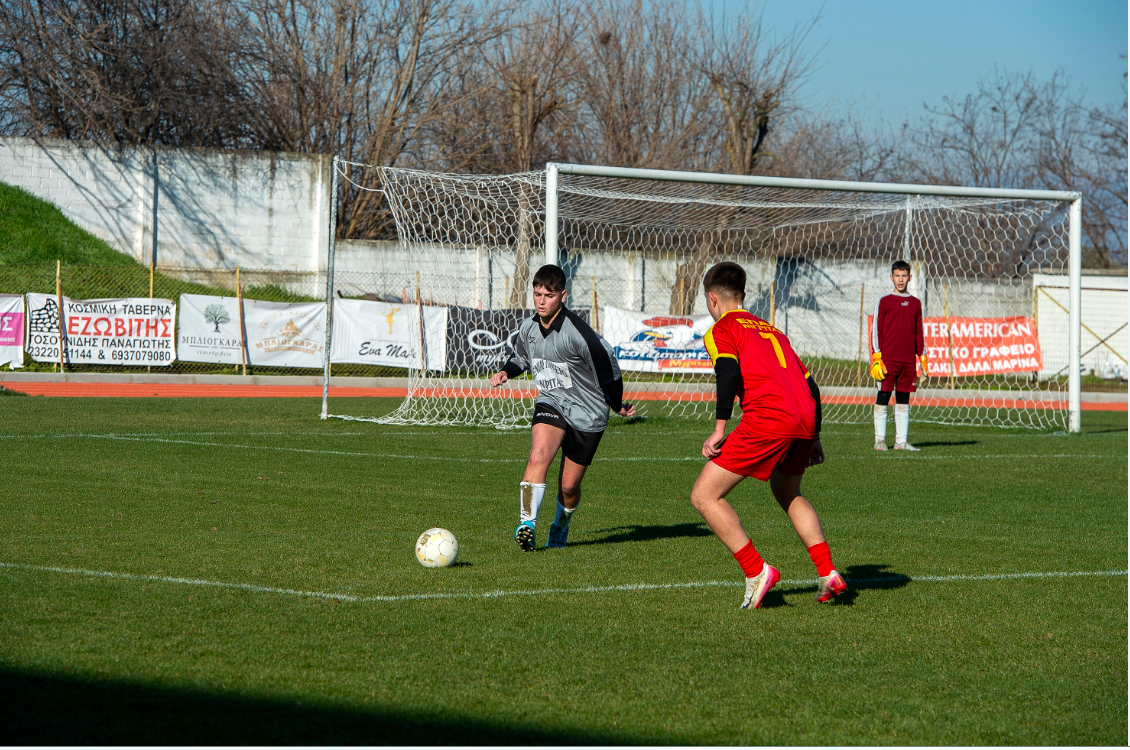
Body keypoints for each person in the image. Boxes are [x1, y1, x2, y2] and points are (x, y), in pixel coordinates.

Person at [689, 262, 847, 609]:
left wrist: (719, 428)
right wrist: (815, 436)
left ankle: (756, 571)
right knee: (787, 490)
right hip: (803, 416)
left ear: (712, 299)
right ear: (742, 296)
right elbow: (811, 386)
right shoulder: (772, 330)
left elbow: (728, 372)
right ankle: (828, 572)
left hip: (769, 418)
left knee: (704, 496)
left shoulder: (722, 330)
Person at [490, 264, 636, 551]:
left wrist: (616, 404)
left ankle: (560, 527)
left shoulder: (578, 334)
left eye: (549, 295)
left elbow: (610, 370)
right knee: (538, 454)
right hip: (552, 401)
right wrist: (507, 371)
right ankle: (527, 525)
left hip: (588, 412)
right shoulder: (529, 327)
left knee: (569, 487)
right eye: (536, 294)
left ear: (563, 296)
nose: (541, 301)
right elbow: (521, 358)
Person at [870, 260, 928, 451]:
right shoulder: (884, 301)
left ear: (910, 278)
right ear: (891, 277)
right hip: (888, 361)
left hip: (908, 361)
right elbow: (876, 331)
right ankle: (879, 440)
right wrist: (877, 358)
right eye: (897, 275)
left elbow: (919, 332)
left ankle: (901, 442)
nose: (901, 279)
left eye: (904, 276)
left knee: (903, 399)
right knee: (883, 396)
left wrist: (922, 357)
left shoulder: (915, 303)